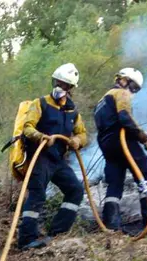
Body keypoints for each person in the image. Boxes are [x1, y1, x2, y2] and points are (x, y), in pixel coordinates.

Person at [93, 67, 147, 235]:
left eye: (136, 90)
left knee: (115, 184)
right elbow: (125, 119)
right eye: (133, 87)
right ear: (124, 81)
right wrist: (145, 139)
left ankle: (111, 225)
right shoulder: (120, 94)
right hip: (122, 141)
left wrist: (145, 138)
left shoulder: (101, 101)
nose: (132, 92)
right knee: (145, 175)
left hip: (107, 145)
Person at [17, 63, 88, 250]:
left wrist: (77, 141)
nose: (60, 86)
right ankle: (26, 239)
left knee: (75, 190)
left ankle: (57, 232)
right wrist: (40, 137)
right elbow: (27, 127)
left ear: (70, 88)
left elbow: (82, 134)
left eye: (64, 84)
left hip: (59, 160)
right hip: (40, 157)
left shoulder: (73, 111)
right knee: (37, 194)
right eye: (58, 82)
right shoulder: (40, 104)